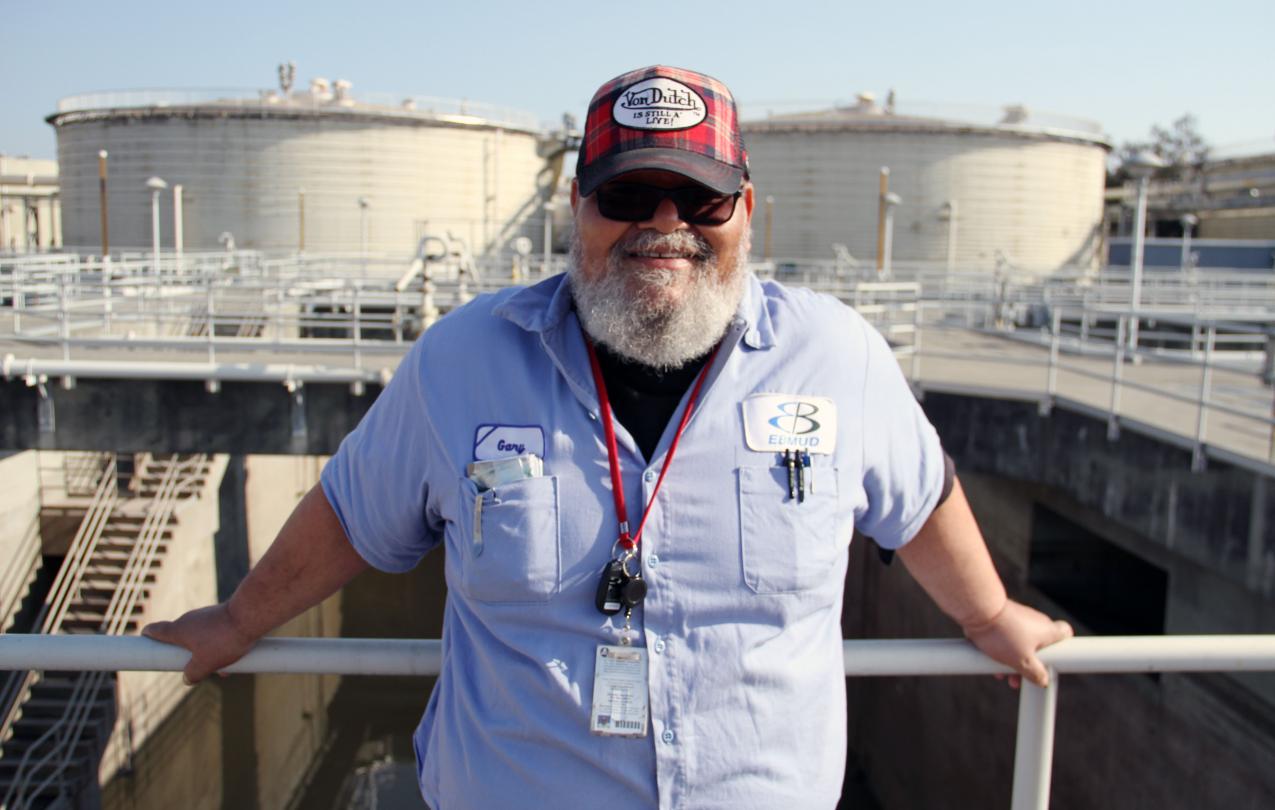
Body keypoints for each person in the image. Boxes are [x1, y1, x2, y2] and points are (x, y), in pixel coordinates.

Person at [145, 65, 1073, 809]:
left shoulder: (836, 357)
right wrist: (237, 621)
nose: (664, 225)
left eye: (700, 199)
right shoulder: (460, 361)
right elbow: (352, 514)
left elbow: (920, 498)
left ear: (746, 210)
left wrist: (987, 616)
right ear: (578, 206)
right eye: (631, 195)